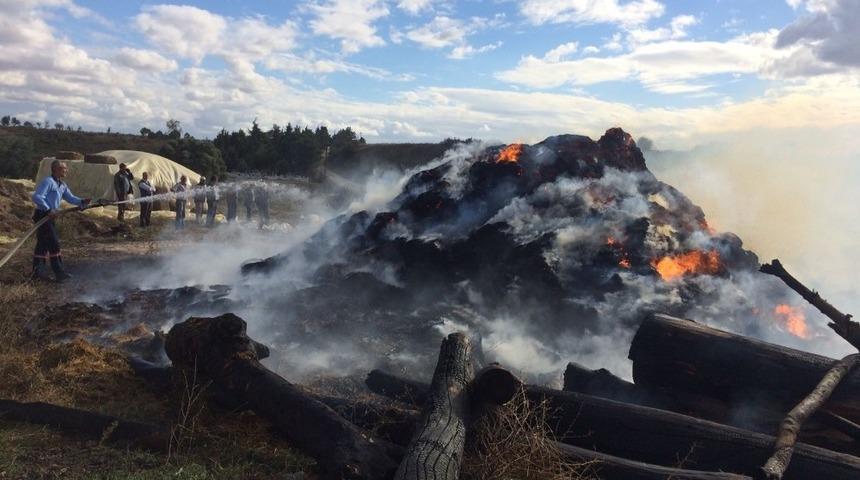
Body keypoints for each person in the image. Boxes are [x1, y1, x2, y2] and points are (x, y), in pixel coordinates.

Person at [31, 160, 90, 281]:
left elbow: (71, 198)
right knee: (54, 243)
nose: (66, 170)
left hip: (50, 216)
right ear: (56, 169)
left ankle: (37, 274)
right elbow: (37, 197)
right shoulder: (48, 182)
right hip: (43, 215)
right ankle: (59, 273)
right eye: (64, 168)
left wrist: (82, 201)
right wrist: (48, 209)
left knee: (42, 244)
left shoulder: (62, 185)